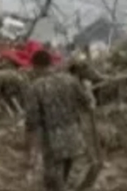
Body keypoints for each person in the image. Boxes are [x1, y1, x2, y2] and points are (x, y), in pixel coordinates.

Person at [23, 48, 95, 191]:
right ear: (51, 63)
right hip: (74, 138)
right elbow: (88, 104)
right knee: (67, 175)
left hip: (52, 143)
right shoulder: (70, 80)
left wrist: (31, 152)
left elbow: (32, 123)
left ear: (36, 66)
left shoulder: (35, 88)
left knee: (52, 182)